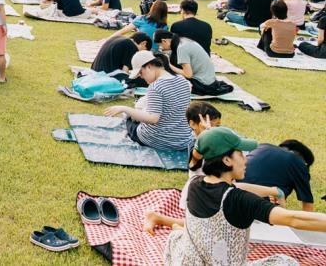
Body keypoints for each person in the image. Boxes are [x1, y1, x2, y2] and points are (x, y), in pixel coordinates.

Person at [163, 127, 326, 265]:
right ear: (227, 160)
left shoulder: (195, 183)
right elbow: (294, 219)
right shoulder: (239, 200)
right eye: (240, 154)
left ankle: (173, 226)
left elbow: (233, 185)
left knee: (177, 236)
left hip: (185, 261)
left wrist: (272, 191)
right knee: (286, 261)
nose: (246, 160)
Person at [104, 50, 193, 152]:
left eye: (141, 73)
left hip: (159, 141)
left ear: (149, 66)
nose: (141, 77)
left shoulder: (156, 87)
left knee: (129, 121)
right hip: (182, 141)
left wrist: (125, 108)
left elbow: (153, 119)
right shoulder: (182, 80)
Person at [243, 140, 317, 212]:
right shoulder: (298, 162)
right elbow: (308, 205)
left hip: (235, 196)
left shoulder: (262, 147)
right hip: (260, 210)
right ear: (303, 160)